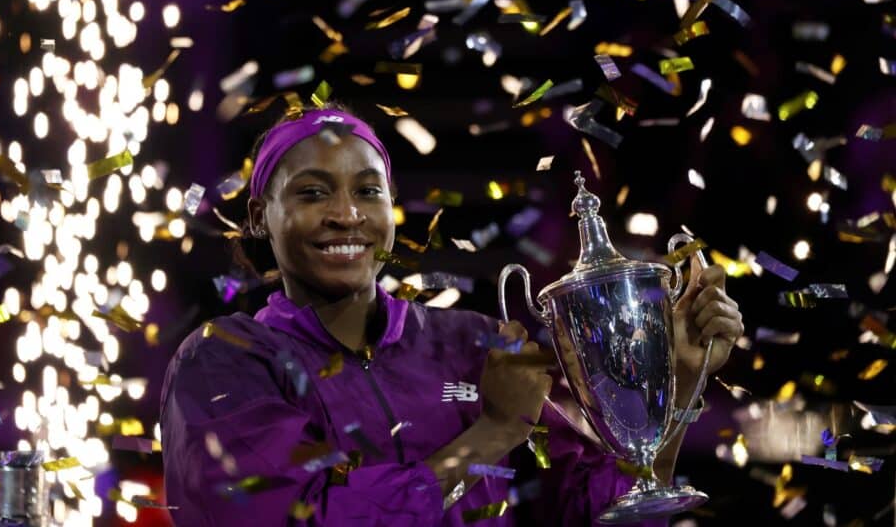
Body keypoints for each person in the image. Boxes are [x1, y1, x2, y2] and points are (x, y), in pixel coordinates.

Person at [160, 105, 745, 526]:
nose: (346, 215)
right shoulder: (223, 361)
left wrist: (675, 387)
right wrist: (491, 434)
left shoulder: (470, 341)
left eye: (369, 192)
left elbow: (601, 513)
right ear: (262, 216)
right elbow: (301, 518)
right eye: (313, 194)